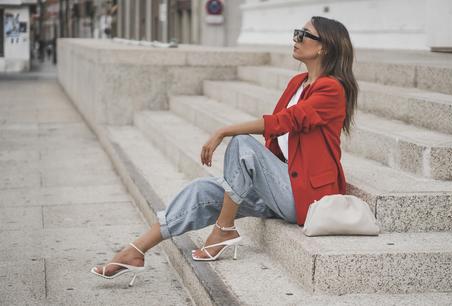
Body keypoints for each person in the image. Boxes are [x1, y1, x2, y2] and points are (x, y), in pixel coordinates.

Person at [91, 16, 358, 286]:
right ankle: (135, 251)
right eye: (296, 32)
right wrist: (245, 178)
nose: (295, 38)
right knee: (202, 190)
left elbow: (284, 121)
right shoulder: (298, 82)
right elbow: (277, 138)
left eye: (304, 34)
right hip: (282, 183)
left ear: (324, 46)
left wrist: (223, 131)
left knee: (242, 144)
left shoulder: (332, 89)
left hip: (304, 197)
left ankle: (224, 229)